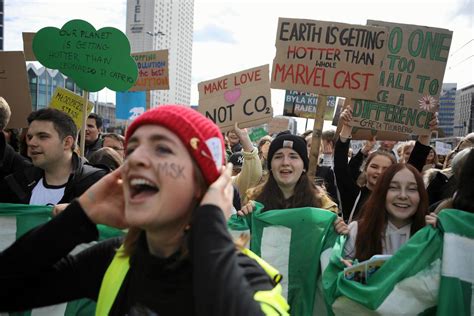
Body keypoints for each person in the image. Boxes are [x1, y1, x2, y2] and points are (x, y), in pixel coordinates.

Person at [0, 105, 289, 315]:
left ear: (203, 185)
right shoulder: (116, 259)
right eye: (133, 149)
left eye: (162, 149)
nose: (137, 159)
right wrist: (80, 215)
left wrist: (209, 223)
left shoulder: (250, 277)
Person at [0, 108, 108, 205]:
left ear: (67, 142)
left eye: (42, 136)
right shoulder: (16, 183)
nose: (32, 143)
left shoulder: (98, 184)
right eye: (30, 137)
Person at [343, 163, 429, 261]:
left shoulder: (431, 235)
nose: (403, 196)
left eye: (412, 189)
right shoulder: (357, 231)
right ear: (381, 192)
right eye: (393, 187)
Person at [239, 132, 338, 215]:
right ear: (270, 166)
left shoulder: (323, 205)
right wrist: (245, 220)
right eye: (278, 156)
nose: (285, 162)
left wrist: (337, 227)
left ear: (304, 167)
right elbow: (242, 236)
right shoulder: (253, 198)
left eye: (293, 156)